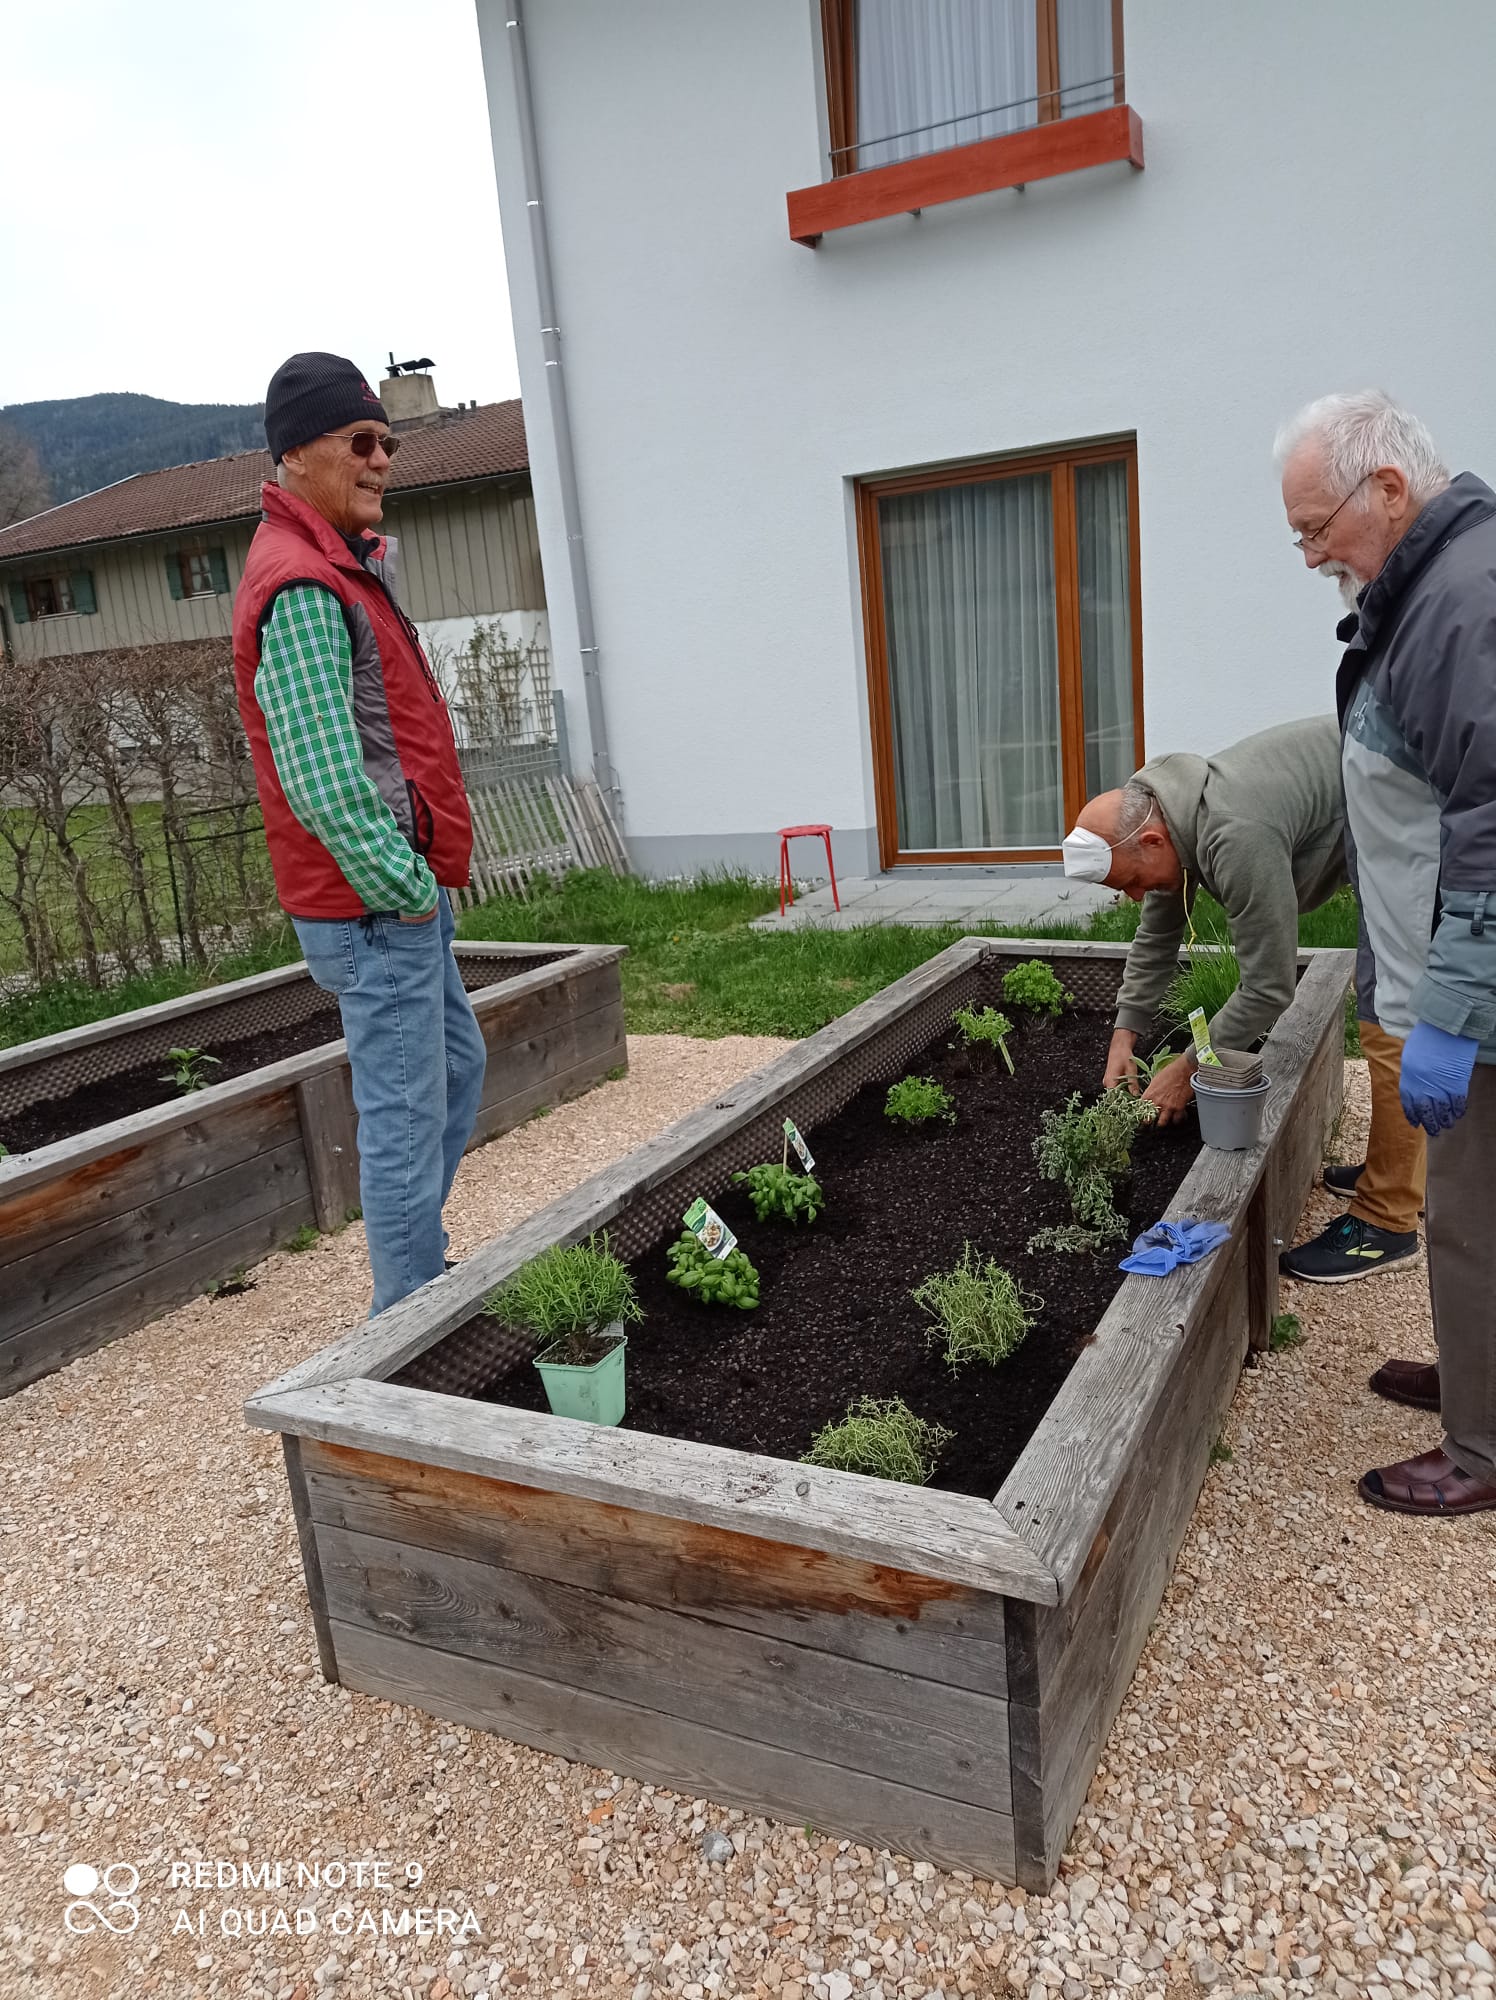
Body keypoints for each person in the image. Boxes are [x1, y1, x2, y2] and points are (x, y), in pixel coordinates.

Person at [1277, 388, 1496, 1517]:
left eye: (1317, 527)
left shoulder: (1462, 601)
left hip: (1483, 992)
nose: (1311, 553)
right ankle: (1476, 1379)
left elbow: (1488, 818)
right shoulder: (1420, 596)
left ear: (1390, 490)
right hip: (1456, 975)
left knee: (1469, 1214)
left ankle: (1481, 1447)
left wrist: (1452, 1013)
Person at [231, 353, 486, 1315]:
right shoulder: (300, 584)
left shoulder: (341, 566)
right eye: (360, 442)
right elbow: (325, 787)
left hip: (395, 901)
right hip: (377, 909)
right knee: (404, 1120)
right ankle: (407, 1323)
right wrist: (409, 890)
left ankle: (415, 1269)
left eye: (388, 442)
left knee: (456, 1069)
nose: (382, 460)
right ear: (297, 453)